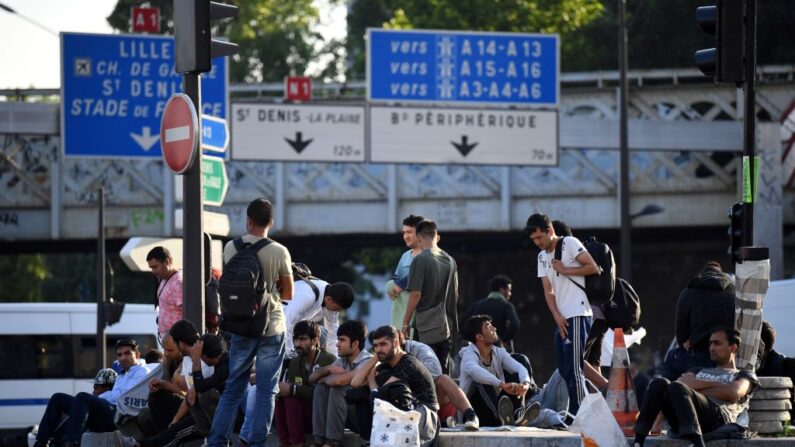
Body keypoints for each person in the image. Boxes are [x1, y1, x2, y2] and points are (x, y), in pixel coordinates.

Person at [207, 198, 294, 447]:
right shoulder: (279, 251)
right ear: (271, 222)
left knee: (234, 387)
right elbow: (288, 294)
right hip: (271, 327)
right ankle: (257, 442)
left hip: (240, 326)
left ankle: (216, 441)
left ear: (248, 220)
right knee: (267, 390)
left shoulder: (230, 248)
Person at [632, 328, 760, 447]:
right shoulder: (698, 370)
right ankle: (638, 442)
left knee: (678, 388)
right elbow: (679, 384)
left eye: (717, 343)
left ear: (733, 347)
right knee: (659, 383)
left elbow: (733, 393)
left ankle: (698, 443)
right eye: (710, 344)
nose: (711, 348)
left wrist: (695, 387)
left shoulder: (744, 374)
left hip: (718, 419)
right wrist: (719, 385)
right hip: (683, 414)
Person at [525, 213, 599, 414]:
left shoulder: (569, 243)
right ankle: (576, 411)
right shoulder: (541, 257)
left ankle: (579, 414)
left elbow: (592, 267)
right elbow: (547, 290)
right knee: (565, 370)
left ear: (550, 231)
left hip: (578, 312)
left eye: (539, 237)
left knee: (575, 369)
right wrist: (556, 316)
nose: (537, 242)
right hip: (562, 318)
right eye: (533, 240)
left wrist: (566, 270)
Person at [34, 339, 148, 447]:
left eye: (127, 353)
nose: (123, 358)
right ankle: (41, 442)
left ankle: (72, 442)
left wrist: (100, 397)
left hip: (120, 416)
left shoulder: (142, 372)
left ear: (137, 355)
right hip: (108, 411)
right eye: (119, 354)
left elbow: (122, 397)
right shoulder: (123, 375)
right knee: (58, 398)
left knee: (83, 397)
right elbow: (114, 396)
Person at [133, 333, 229, 447]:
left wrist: (196, 360)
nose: (166, 354)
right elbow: (191, 392)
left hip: (211, 419)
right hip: (198, 411)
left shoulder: (223, 367)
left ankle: (140, 445)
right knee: (150, 410)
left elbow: (200, 387)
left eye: (169, 350)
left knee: (176, 432)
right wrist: (165, 385)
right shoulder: (178, 363)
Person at [352, 325, 440, 447]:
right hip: (406, 412)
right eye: (376, 346)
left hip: (423, 415)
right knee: (359, 394)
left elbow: (378, 397)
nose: (378, 349)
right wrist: (374, 359)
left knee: (389, 390)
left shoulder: (408, 363)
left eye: (383, 344)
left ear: (396, 343)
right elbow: (355, 382)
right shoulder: (387, 364)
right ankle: (369, 438)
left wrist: (371, 379)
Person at [458, 315, 540, 427]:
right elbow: (474, 371)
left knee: (519, 358)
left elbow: (519, 367)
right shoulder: (469, 354)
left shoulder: (498, 352)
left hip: (495, 405)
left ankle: (517, 413)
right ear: (479, 337)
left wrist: (525, 384)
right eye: (488, 326)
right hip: (474, 413)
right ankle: (501, 418)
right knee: (480, 380)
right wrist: (502, 384)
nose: (494, 328)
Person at [660, 261, 735, 381]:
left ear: (702, 276)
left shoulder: (688, 294)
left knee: (672, 357)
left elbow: (681, 336)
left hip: (700, 360)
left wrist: (689, 340)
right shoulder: (734, 293)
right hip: (728, 358)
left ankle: (668, 393)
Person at [403, 219, 459, 373]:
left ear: (419, 238)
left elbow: (415, 294)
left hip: (426, 328)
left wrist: (405, 323)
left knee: (423, 373)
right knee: (443, 373)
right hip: (446, 327)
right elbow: (455, 294)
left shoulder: (420, 260)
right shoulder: (450, 260)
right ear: (436, 236)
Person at [309, 320, 372, 447]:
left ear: (355, 344)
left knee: (337, 389)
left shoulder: (368, 361)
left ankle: (333, 442)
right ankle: (319, 440)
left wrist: (327, 378)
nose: (337, 344)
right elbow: (312, 379)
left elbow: (337, 381)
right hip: (344, 414)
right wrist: (327, 369)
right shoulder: (342, 361)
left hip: (365, 419)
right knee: (321, 388)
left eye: (342, 340)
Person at [275, 321, 336, 447]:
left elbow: (325, 395)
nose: (298, 344)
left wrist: (294, 389)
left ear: (315, 341)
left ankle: (298, 443)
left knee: (291, 394)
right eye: (295, 339)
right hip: (301, 416)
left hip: (322, 417)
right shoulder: (294, 362)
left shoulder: (329, 360)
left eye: (303, 339)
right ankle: (285, 442)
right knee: (280, 396)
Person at [284, 280, 355, 356]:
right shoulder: (307, 296)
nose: (337, 312)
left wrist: (333, 358)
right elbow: (285, 324)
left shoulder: (331, 295)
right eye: (337, 309)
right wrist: (289, 354)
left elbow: (332, 331)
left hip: (294, 329)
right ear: (329, 299)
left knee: (322, 333)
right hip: (278, 325)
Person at [386, 214, 424, 331]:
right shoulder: (405, 256)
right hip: (400, 317)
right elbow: (397, 278)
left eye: (409, 232)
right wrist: (392, 287)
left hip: (419, 318)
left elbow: (420, 277)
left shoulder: (429, 256)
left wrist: (401, 285)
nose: (406, 236)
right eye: (404, 233)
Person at [465, 275, 520, 351]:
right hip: (499, 348)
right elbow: (515, 324)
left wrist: (474, 340)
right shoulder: (506, 306)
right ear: (502, 289)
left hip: (480, 349)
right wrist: (504, 339)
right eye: (509, 290)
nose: (510, 294)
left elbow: (462, 323)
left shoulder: (477, 305)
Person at [146, 246, 183, 341]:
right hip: (169, 340)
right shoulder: (165, 278)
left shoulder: (178, 282)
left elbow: (188, 312)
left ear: (167, 262)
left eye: (155, 267)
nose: (153, 271)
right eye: (151, 268)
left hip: (177, 341)